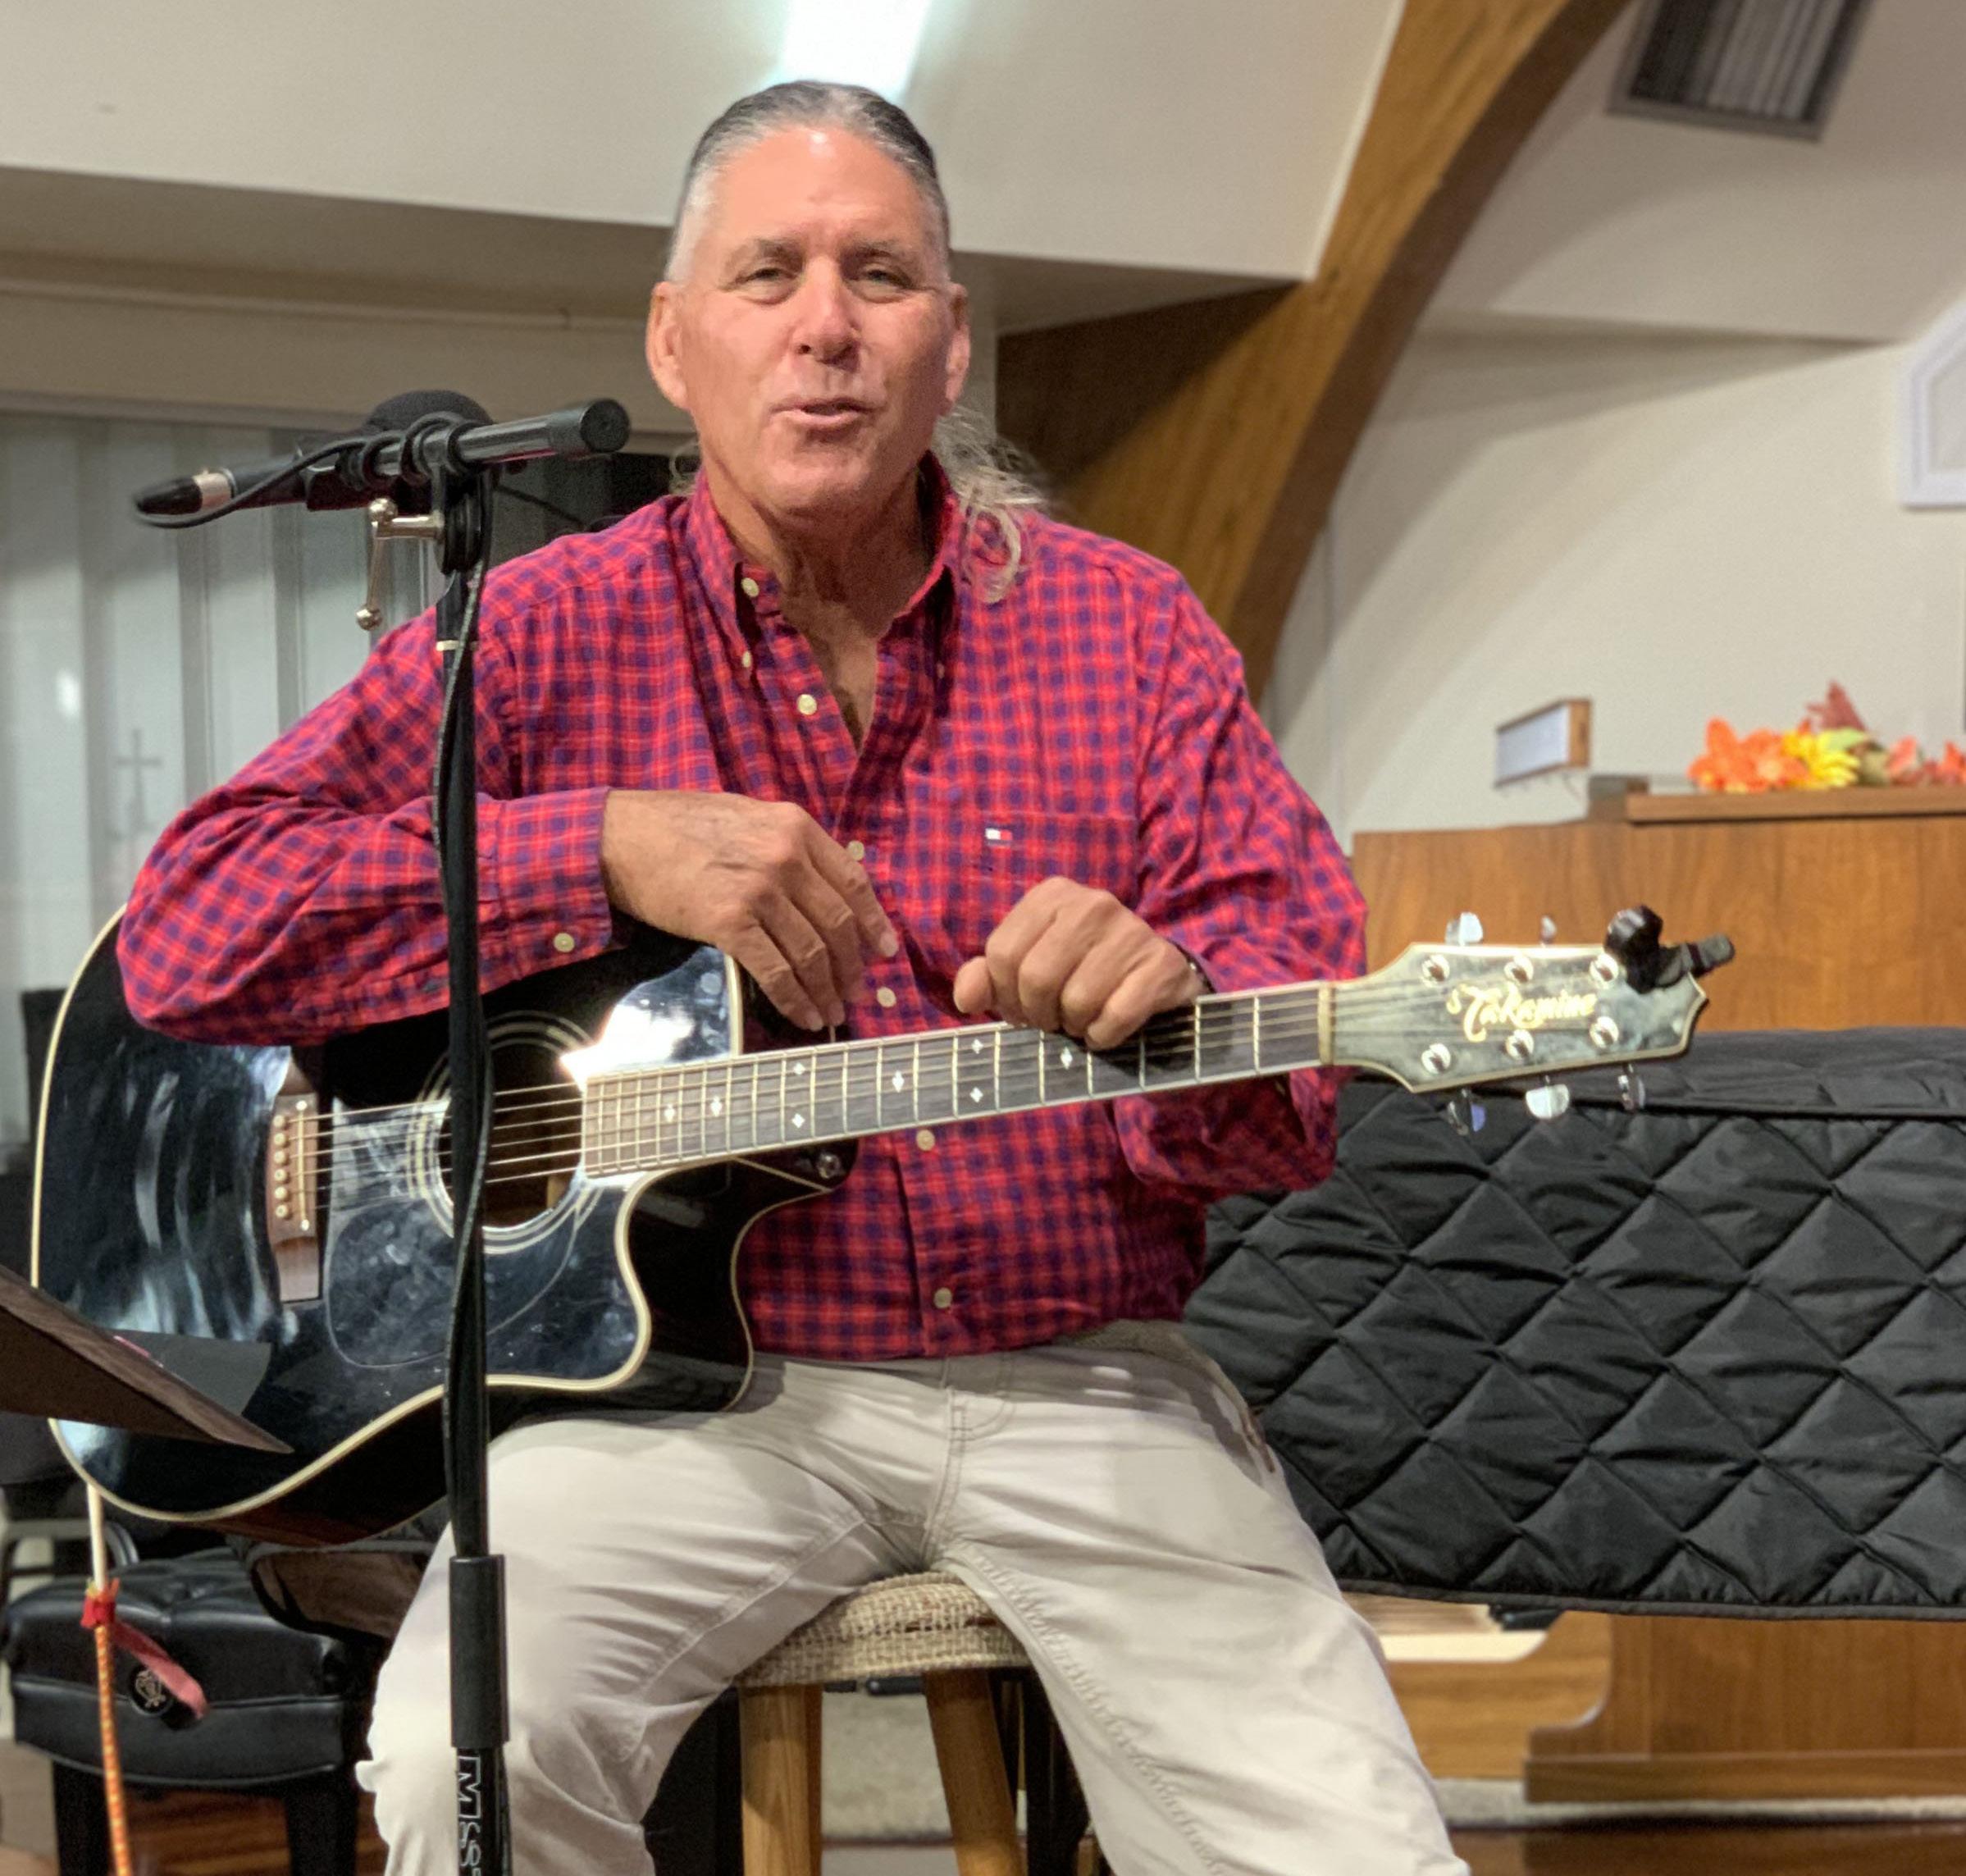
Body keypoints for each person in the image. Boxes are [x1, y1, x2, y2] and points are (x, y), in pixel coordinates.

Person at [120, 81, 1466, 1876]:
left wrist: (1181, 1000)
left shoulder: (1129, 632)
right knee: (465, 1769)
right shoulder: (536, 633)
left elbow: (1290, 1089)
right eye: (767, 275)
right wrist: (594, 846)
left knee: (1350, 1847)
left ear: (950, 341)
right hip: (673, 1405)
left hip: (1083, 1380)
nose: (825, 326)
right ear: (674, 342)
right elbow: (192, 923)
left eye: (879, 276)